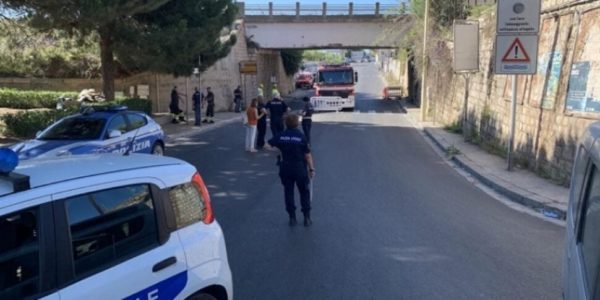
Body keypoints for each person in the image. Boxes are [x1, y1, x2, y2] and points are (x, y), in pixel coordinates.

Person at [267, 114, 316, 226]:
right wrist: (311, 169)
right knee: (304, 192)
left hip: (286, 168)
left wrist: (279, 150)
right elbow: (308, 155)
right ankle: (307, 218)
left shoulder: (281, 135)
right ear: (297, 124)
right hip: (300, 168)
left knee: (288, 193)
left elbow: (267, 145)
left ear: (286, 123)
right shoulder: (301, 136)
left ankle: (292, 218)